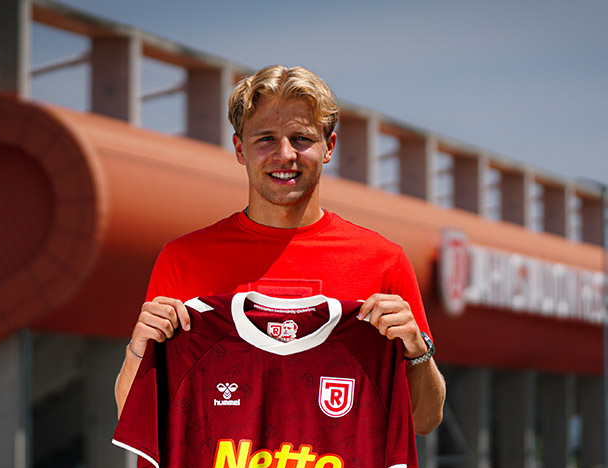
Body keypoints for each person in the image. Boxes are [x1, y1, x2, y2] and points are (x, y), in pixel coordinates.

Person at [115, 65, 445, 435]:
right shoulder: (184, 259)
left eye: (301, 138)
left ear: (329, 147)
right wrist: (139, 349)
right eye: (266, 139)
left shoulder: (383, 262)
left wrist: (417, 352)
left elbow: (425, 421)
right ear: (240, 149)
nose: (285, 155)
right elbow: (135, 418)